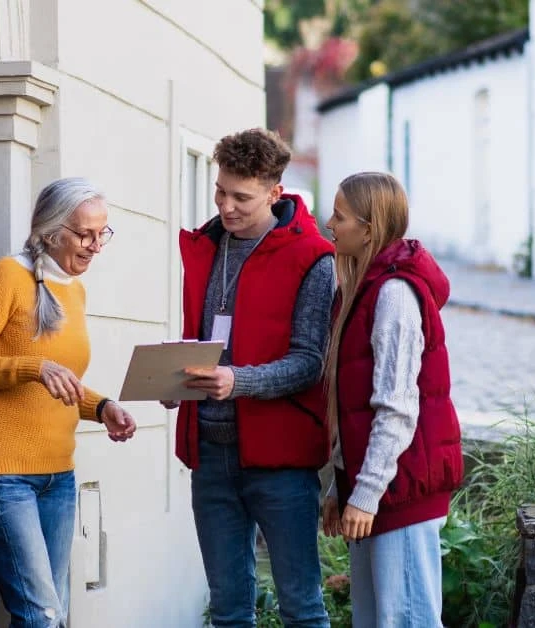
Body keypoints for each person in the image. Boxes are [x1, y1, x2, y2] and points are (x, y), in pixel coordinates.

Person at [0, 177, 138, 628]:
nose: (95, 246)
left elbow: (62, 380)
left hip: (58, 475)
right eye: (85, 234)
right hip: (0, 473)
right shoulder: (5, 276)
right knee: (41, 614)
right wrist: (34, 367)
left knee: (51, 615)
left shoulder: (73, 288)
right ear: (52, 231)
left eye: (102, 234)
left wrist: (102, 406)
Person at [168, 128, 335, 628]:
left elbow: (309, 362)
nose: (227, 206)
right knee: (227, 611)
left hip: (280, 461)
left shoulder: (312, 258)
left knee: (302, 609)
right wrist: (176, 383)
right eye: (221, 191)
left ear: (274, 193)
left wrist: (236, 381)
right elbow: (204, 340)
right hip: (210, 456)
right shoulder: (206, 246)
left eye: (242, 197)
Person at [319, 171, 464, 627]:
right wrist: (339, 485)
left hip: (396, 493)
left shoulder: (394, 294)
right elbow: (352, 405)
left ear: (368, 227)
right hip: (377, 488)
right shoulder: (361, 291)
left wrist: (363, 494)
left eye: (339, 217)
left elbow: (397, 409)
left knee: (406, 621)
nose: (329, 224)